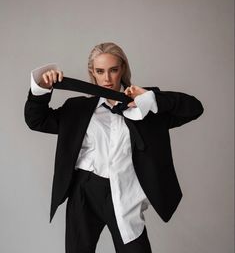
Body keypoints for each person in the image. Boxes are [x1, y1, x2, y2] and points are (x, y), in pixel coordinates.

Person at [24, 42, 204, 253]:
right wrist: (43, 88)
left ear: (123, 69)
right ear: (92, 72)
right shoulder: (77, 108)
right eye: (100, 71)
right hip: (84, 191)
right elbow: (36, 120)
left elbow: (194, 108)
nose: (107, 78)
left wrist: (149, 97)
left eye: (113, 70)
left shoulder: (144, 109)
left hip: (124, 192)